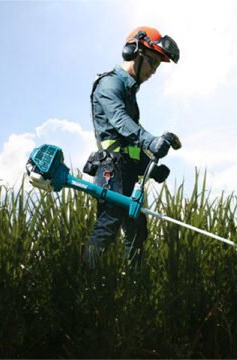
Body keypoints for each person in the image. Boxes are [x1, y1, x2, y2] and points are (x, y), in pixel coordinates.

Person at [84, 26, 180, 269]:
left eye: (158, 66)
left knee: (137, 229)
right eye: (152, 63)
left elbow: (129, 143)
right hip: (111, 168)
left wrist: (150, 166)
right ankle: (85, 280)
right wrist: (151, 141)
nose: (153, 71)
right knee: (108, 223)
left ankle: (133, 288)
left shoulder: (129, 92)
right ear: (134, 52)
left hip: (127, 169)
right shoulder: (109, 84)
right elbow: (119, 121)